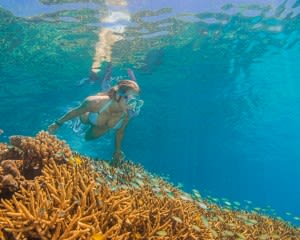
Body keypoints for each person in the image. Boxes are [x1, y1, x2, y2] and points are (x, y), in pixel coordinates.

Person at [48, 80, 143, 165]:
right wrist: (58, 123)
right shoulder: (95, 102)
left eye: (137, 102)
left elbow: (120, 131)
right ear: (118, 95)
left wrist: (117, 150)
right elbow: (76, 111)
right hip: (92, 115)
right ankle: (85, 113)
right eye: (131, 100)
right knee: (83, 120)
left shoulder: (128, 113)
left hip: (103, 126)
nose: (133, 106)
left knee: (87, 138)